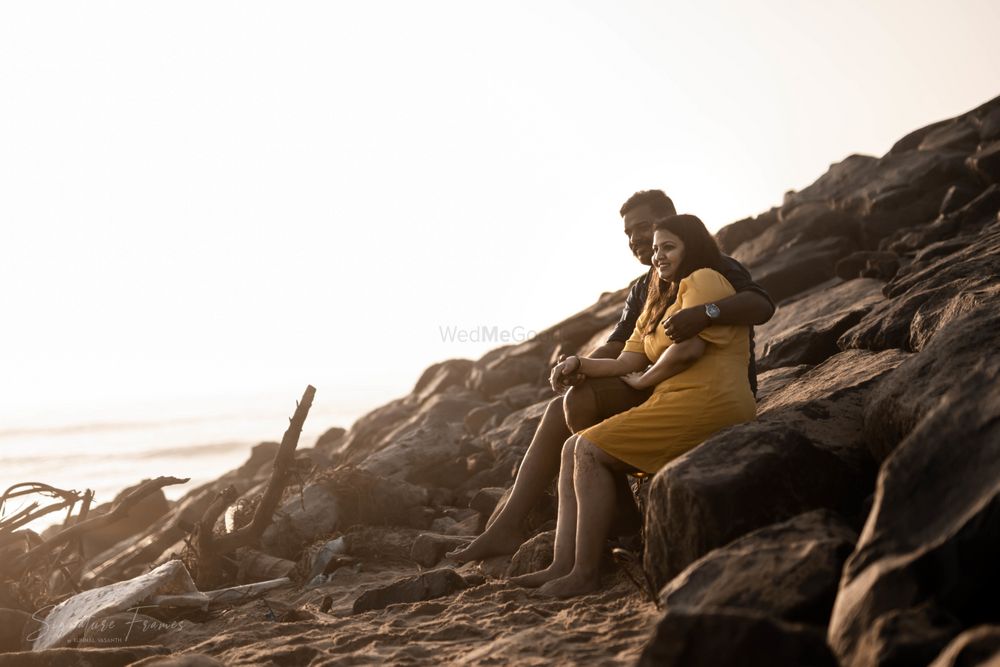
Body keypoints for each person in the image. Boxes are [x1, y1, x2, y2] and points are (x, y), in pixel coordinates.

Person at [448, 191, 774, 563]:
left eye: (643, 228)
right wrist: (579, 365)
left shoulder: (711, 266)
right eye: (629, 233)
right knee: (562, 407)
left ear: (672, 223)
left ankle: (620, 519)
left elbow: (762, 305)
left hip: (706, 390)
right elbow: (620, 350)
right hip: (662, 384)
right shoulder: (644, 287)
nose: (636, 239)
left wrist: (706, 313)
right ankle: (505, 527)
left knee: (582, 407)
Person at [510, 213, 758, 597]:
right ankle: (563, 564)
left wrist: (644, 382)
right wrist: (578, 364)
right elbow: (626, 360)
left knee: (589, 449)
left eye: (669, 247)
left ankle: (586, 574)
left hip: (712, 399)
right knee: (571, 445)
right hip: (677, 399)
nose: (658, 256)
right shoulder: (659, 296)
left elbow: (688, 348)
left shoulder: (705, 279)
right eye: (656, 249)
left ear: (693, 246)